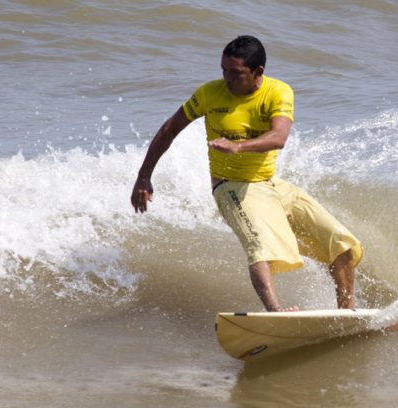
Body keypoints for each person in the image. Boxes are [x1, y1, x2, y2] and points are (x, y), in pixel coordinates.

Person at [131, 35, 363, 312]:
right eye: (224, 70)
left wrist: (238, 146)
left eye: (236, 73)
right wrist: (144, 176)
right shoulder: (209, 94)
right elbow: (170, 128)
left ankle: (346, 313)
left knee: (343, 244)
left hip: (271, 185)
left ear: (258, 72)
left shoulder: (279, 92)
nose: (228, 79)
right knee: (259, 245)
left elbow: (279, 137)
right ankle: (275, 311)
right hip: (231, 186)